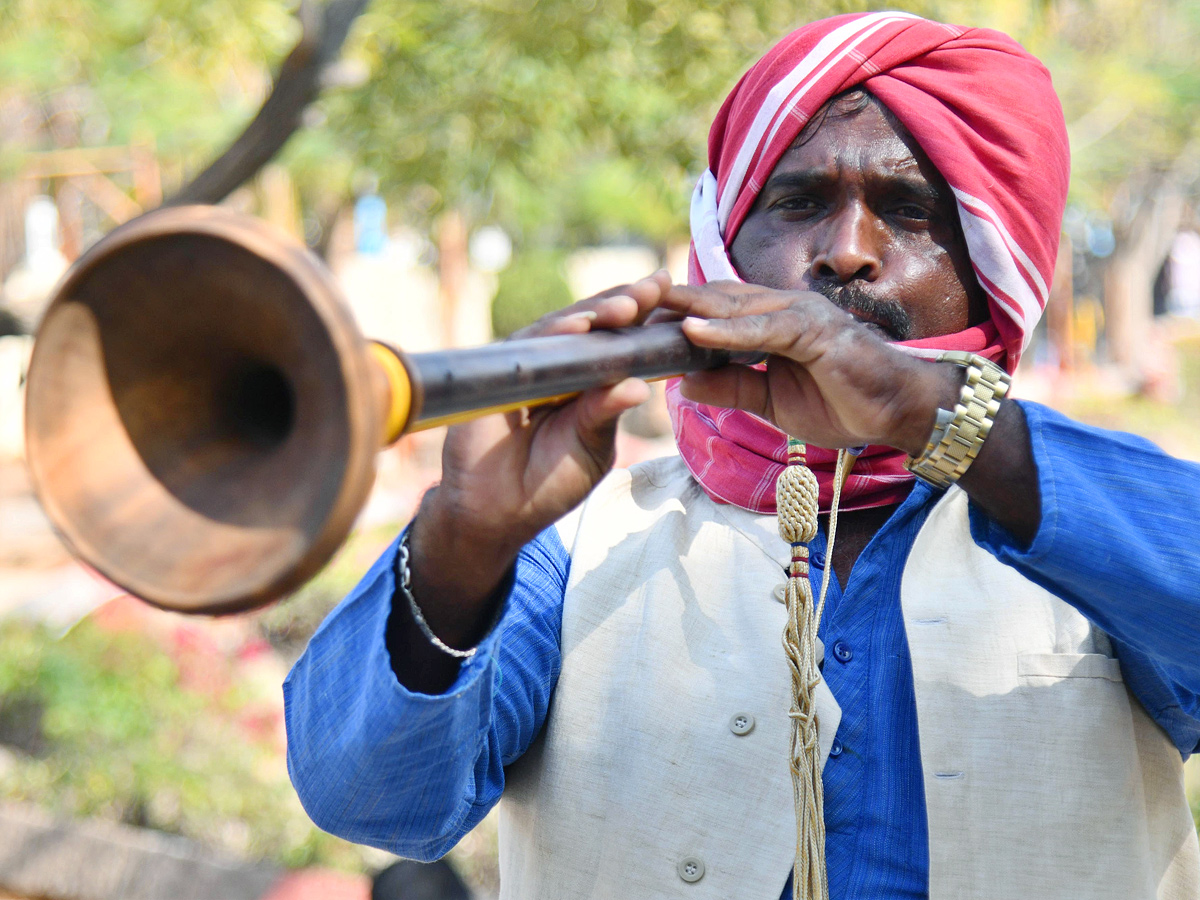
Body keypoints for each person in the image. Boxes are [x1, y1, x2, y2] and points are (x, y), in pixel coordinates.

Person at [284, 12, 1200, 899]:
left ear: (995, 267)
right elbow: (370, 802)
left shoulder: (1081, 518)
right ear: (722, 242)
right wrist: (463, 539)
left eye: (911, 211)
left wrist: (931, 414)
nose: (847, 254)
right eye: (798, 202)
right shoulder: (576, 543)